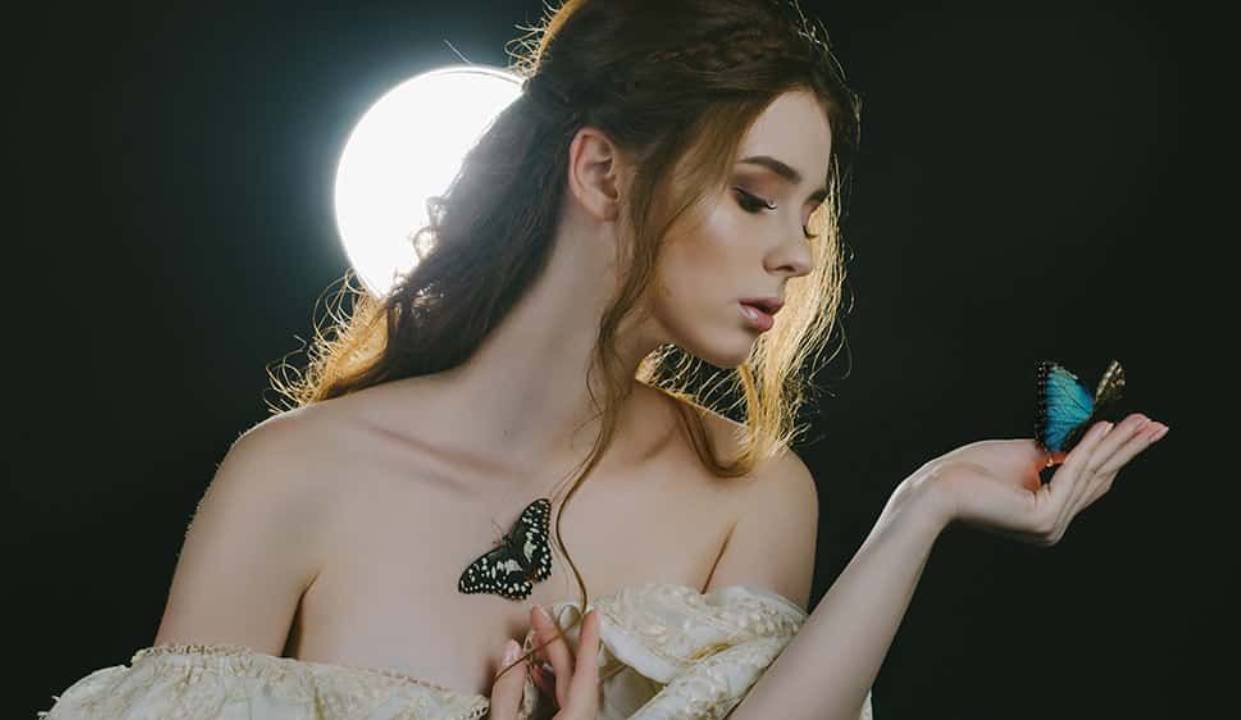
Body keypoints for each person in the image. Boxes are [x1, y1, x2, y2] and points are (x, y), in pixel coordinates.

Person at [37, 1, 1168, 719]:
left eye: (810, 213)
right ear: (599, 173)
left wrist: (922, 509)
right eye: (753, 195)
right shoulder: (293, 476)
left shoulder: (750, 495)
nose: (794, 254)